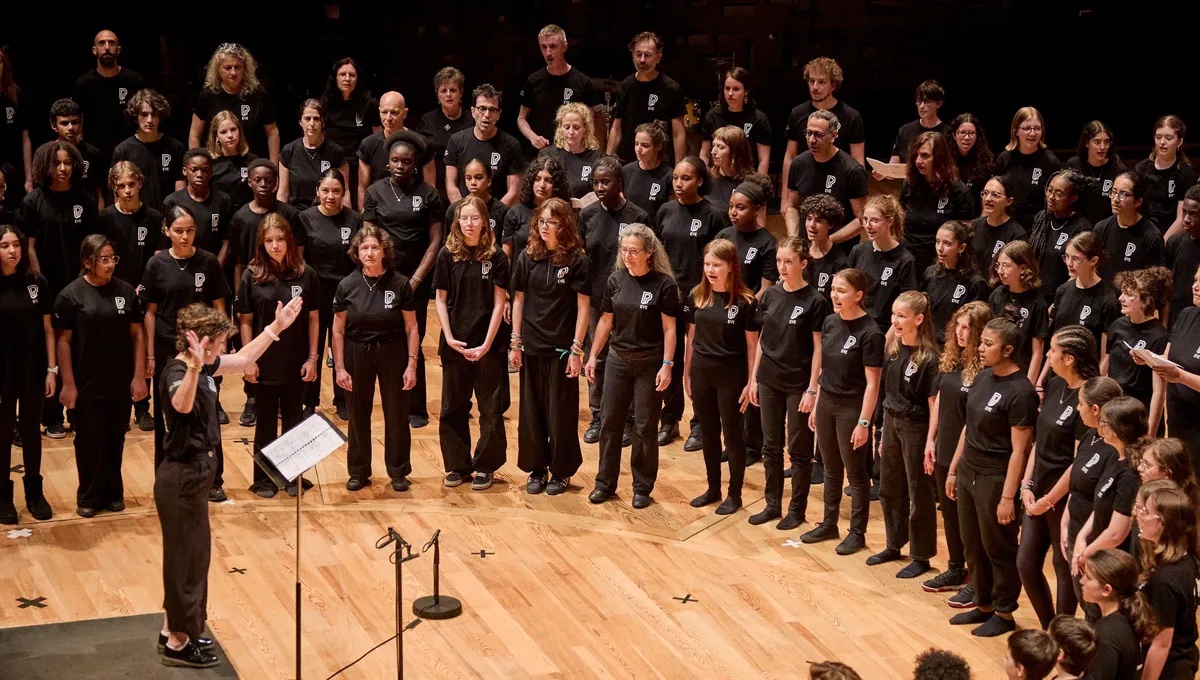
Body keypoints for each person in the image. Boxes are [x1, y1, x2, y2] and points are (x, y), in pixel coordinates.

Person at [154, 298, 303, 669]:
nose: (224, 348)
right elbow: (182, 405)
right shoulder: (178, 372)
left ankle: (173, 628)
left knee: (191, 558)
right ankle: (177, 643)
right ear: (202, 343)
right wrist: (193, 368)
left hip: (195, 478)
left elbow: (246, 358)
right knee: (186, 562)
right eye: (219, 343)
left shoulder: (205, 365)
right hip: (181, 479)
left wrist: (277, 327)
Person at [946, 317, 1038, 637]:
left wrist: (1008, 497)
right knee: (972, 544)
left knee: (998, 548)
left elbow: (1020, 451)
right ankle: (983, 604)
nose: (980, 348)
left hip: (995, 477)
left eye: (988, 344)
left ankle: (1004, 611)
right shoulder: (983, 377)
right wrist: (954, 468)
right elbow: (968, 427)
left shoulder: (1022, 392)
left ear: (1008, 349)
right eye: (981, 342)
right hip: (968, 470)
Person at [584, 224, 679, 509]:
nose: (627, 256)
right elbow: (605, 321)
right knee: (609, 423)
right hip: (618, 360)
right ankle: (604, 483)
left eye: (633, 251)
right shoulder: (615, 280)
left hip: (649, 363)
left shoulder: (664, 285)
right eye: (624, 250)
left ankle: (642, 487)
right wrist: (592, 356)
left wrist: (667, 365)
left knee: (645, 427)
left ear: (649, 253)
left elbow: (670, 329)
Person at [140, 205, 230, 500]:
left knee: (208, 411)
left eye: (190, 230)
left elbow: (219, 304)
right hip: (168, 348)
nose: (185, 236)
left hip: (203, 349)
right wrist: (150, 355)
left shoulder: (208, 261)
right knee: (169, 415)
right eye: (178, 231)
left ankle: (213, 480)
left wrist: (221, 343)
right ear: (166, 230)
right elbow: (150, 313)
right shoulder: (156, 264)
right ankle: (166, 475)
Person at [54, 234, 146, 517]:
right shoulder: (70, 296)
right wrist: (68, 384)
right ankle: (89, 495)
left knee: (115, 439)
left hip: (119, 380)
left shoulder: (126, 291)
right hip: (86, 383)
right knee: (89, 441)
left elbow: (137, 335)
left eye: (112, 259)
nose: (109, 265)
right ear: (87, 262)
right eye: (103, 260)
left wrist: (139, 376)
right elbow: (63, 342)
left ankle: (113, 493)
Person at [361, 130, 445, 428]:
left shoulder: (429, 194)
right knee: (383, 341)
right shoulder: (375, 192)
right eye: (395, 160)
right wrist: (378, 273)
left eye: (406, 161)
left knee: (413, 341)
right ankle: (388, 403)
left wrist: (416, 280)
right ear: (387, 162)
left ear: (415, 164)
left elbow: (435, 242)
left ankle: (415, 406)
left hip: (415, 282)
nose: (400, 165)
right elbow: (368, 237)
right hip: (382, 279)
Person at [234, 214, 319, 498]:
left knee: (295, 423)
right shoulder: (252, 275)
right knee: (266, 424)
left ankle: (292, 476)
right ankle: (264, 480)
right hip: (264, 364)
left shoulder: (306, 274)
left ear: (289, 240)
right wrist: (248, 361)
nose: (275, 245)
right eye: (269, 240)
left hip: (296, 362)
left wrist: (312, 358)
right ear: (262, 244)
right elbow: (245, 320)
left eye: (280, 239)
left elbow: (314, 318)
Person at [1018, 326, 1097, 629]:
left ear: (1069, 359)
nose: (1048, 355)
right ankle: (1048, 627)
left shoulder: (1088, 396)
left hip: (1064, 495)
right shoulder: (1054, 385)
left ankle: (1062, 634)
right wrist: (1027, 484)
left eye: (1052, 351)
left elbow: (1080, 461)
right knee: (1026, 564)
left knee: (1062, 568)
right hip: (1037, 489)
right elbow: (1039, 440)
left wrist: (1050, 500)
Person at [510, 197, 590, 495]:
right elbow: (518, 300)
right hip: (532, 344)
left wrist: (577, 349)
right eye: (542, 221)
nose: (545, 227)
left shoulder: (577, 261)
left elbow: (584, 307)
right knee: (532, 411)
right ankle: (537, 468)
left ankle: (561, 470)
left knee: (561, 412)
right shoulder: (527, 256)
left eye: (552, 222)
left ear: (565, 224)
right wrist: (515, 342)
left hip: (562, 348)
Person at [801, 269, 883, 555]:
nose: (834, 295)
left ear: (858, 295)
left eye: (842, 291)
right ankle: (829, 523)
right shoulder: (830, 322)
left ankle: (857, 533)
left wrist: (864, 422)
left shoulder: (871, 333)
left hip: (852, 408)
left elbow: (873, 384)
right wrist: (816, 402)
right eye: (833, 289)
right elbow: (825, 369)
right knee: (830, 468)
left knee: (856, 474)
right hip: (827, 403)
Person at [332, 225, 419, 491]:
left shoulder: (400, 284)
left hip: (392, 351)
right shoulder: (347, 285)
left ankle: (398, 471)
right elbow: (337, 330)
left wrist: (412, 364)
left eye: (374, 247)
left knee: (396, 413)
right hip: (357, 351)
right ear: (357, 253)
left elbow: (411, 327)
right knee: (358, 414)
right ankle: (358, 471)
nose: (369, 253)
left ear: (384, 251)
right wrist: (340, 368)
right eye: (364, 248)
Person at [23, 140, 99, 439]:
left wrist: (85, 280)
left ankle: (78, 412)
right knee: (50, 350)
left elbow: (92, 246)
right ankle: (51, 415)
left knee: (81, 349)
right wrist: (41, 284)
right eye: (57, 164)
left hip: (80, 286)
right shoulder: (33, 202)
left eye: (67, 163)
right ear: (45, 166)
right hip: (49, 286)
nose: (63, 169)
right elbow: (29, 247)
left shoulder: (85, 200)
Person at [748, 236, 826, 528]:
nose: (782, 266)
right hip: (769, 379)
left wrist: (812, 388)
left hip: (798, 384)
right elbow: (762, 340)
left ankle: (797, 510)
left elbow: (818, 348)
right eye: (779, 261)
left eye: (788, 261)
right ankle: (772, 504)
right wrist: (754, 379)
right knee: (771, 446)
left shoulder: (815, 301)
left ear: (803, 264)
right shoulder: (770, 295)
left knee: (799, 450)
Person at [434, 196, 509, 490]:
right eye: (464, 218)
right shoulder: (447, 254)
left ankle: (486, 466)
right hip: (455, 344)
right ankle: (457, 465)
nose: (469, 223)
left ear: (485, 222)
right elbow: (440, 300)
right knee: (452, 407)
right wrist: (449, 336)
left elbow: (499, 304)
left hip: (488, 345)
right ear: (457, 222)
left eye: (474, 218)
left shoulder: (497, 257)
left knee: (490, 409)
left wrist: (487, 344)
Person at [920, 301, 991, 602]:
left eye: (968, 329)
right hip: (944, 448)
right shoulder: (951, 360)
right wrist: (930, 440)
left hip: (969, 455)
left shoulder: (985, 370)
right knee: (949, 515)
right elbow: (937, 402)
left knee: (970, 522)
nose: (961, 333)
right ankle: (955, 568)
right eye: (958, 326)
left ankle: (978, 578)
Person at [656, 157, 729, 447]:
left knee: (698, 361)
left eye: (685, 178)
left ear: (699, 181)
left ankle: (701, 423)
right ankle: (670, 419)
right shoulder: (665, 211)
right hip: (669, 295)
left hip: (702, 296)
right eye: (675, 177)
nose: (678, 183)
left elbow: (719, 258)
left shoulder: (714, 215)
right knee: (670, 358)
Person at [684, 238, 760, 515]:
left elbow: (753, 346)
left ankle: (734, 494)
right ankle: (713, 487)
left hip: (732, 376)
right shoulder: (697, 296)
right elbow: (691, 338)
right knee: (708, 433)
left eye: (716, 265)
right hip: (702, 372)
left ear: (731, 267)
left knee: (733, 435)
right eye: (707, 264)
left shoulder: (745, 301)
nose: (710, 270)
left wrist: (751, 381)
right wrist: (686, 373)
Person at [869, 291, 939, 578]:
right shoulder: (894, 350)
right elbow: (887, 392)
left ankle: (921, 555)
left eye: (901, 316)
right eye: (893, 315)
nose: (895, 321)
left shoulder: (930, 358)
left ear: (918, 319)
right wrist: (882, 431)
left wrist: (931, 441)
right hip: (891, 421)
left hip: (916, 427)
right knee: (889, 486)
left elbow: (934, 405)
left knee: (918, 491)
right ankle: (894, 543)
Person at [579, 156, 649, 443]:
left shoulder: (638, 217)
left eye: (605, 182)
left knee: (627, 358)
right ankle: (598, 415)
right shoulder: (587, 216)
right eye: (595, 182)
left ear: (620, 182)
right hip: (596, 299)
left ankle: (628, 418)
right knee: (596, 357)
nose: (599, 188)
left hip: (628, 301)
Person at [715, 175, 779, 462]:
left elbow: (765, 289)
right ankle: (732, 441)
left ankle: (753, 445)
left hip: (750, 320)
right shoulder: (723, 236)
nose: (733, 212)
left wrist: (739, 306)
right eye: (731, 206)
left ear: (756, 210)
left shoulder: (767, 243)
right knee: (728, 383)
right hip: (723, 317)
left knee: (750, 380)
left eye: (740, 207)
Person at [0, 226, 56, 524]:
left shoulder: (36, 282)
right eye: (5, 245)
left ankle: (35, 493)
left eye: (16, 245)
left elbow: (48, 330)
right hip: (2, 372)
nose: (12, 251)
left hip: (33, 369)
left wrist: (51, 369)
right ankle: (2, 496)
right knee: (2, 432)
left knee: (31, 431)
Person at [100, 162, 161, 430]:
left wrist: (143, 287)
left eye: (131, 184)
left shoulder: (154, 217)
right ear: (114, 187)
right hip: (114, 291)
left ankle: (143, 407)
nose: (127, 190)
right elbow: (101, 256)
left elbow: (158, 257)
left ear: (140, 184)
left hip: (145, 291)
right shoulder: (105, 218)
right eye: (121, 186)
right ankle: (120, 408)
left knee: (143, 348)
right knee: (116, 351)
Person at [1061, 376, 1124, 620]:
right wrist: (1065, 520)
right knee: (1085, 602)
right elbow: (1077, 480)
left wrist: (1085, 544)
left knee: (1097, 610)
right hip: (1077, 531)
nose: (1077, 409)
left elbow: (1103, 499)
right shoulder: (1090, 435)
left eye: (1080, 404)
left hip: (1096, 540)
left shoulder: (1115, 450)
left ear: (1096, 409)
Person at [1071, 397, 1143, 608]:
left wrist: (1086, 552)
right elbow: (1102, 501)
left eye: (1103, 421)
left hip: (1115, 564)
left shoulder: (1130, 473)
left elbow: (1117, 533)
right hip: (1099, 552)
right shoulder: (1115, 457)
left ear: (1117, 429)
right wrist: (1082, 537)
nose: (1099, 425)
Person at [298, 169, 357, 419]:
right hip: (315, 292)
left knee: (341, 345)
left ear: (343, 193)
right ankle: (309, 400)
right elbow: (299, 259)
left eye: (336, 191)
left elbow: (358, 259)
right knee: (312, 347)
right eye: (325, 190)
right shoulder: (305, 218)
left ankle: (342, 399)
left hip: (344, 294)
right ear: (317, 191)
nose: (330, 196)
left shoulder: (354, 219)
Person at [781, 57, 867, 209]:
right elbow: (790, 156)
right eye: (811, 81)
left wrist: (859, 196)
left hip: (838, 189)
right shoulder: (797, 113)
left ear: (833, 85)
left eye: (821, 82)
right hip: (806, 184)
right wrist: (785, 199)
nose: (815, 87)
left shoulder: (851, 117)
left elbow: (858, 161)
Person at [1135, 480, 1200, 680]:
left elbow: (1162, 644)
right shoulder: (1186, 558)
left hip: (1169, 668)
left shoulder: (1164, 580)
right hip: (1184, 657)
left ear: (1163, 524)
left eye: (1145, 512)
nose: (1139, 515)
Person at [782, 110, 869, 248]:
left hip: (839, 247)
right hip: (806, 246)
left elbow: (862, 219)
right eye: (809, 133)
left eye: (819, 135)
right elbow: (792, 207)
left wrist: (827, 242)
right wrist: (794, 239)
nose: (812, 140)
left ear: (834, 135)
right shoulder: (798, 163)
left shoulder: (852, 170)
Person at [1105, 267, 1171, 434]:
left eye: (1129, 294)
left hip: (1139, 414)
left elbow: (1158, 392)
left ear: (1146, 301)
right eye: (1122, 292)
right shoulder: (1118, 325)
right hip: (1114, 409)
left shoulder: (1159, 337)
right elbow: (1107, 365)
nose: (1121, 298)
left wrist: (1150, 433)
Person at [606, 32, 687, 165]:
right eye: (638, 54)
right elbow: (616, 128)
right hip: (630, 162)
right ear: (632, 55)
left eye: (647, 55)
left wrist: (679, 167)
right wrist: (608, 161)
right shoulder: (626, 86)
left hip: (661, 163)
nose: (642, 60)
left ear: (658, 57)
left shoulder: (671, 89)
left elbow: (678, 133)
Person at [189, 43, 279, 161]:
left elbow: (272, 133)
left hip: (252, 163)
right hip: (217, 164)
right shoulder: (208, 95)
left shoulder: (258, 94)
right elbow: (195, 134)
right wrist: (196, 164)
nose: (233, 72)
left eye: (237, 67)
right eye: (227, 68)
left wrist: (273, 167)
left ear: (244, 68)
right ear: (218, 69)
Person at [1080, 548, 1161, 680]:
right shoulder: (1129, 616)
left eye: (1088, 577)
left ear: (1106, 590)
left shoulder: (1106, 636)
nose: (1081, 581)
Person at [899, 131, 974, 272]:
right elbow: (901, 220)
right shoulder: (909, 184)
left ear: (939, 158)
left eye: (925, 156)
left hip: (940, 261)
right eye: (916, 155)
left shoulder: (959, 191)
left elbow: (965, 234)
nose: (918, 161)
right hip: (909, 257)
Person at [517, 25, 595, 154]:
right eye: (544, 47)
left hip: (571, 153)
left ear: (564, 47)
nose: (548, 53)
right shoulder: (533, 81)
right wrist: (533, 137)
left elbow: (589, 122)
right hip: (540, 152)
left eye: (553, 46)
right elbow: (521, 119)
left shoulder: (582, 82)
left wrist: (585, 148)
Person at [444, 84, 525, 206]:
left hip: (497, 212)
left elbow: (513, 192)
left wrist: (494, 214)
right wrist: (463, 212)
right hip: (463, 210)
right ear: (473, 111)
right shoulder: (456, 140)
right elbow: (451, 185)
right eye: (482, 109)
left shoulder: (512, 145)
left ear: (499, 114)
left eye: (492, 110)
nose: (487, 115)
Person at [72, 30, 144, 165]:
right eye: (102, 43)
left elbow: (142, 115)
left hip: (128, 149)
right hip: (94, 151)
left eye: (111, 43)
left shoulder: (134, 81)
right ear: (94, 50)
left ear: (118, 49)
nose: (107, 47)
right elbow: (77, 118)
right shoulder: (83, 83)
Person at [849, 194, 919, 332]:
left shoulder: (905, 260)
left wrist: (885, 341)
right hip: (855, 324)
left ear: (890, 221)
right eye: (865, 219)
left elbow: (906, 309)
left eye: (875, 220)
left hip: (884, 330)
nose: (868, 225)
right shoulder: (858, 251)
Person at [230, 160, 301, 292]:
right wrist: (239, 295)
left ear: (276, 182)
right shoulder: (240, 217)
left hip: (285, 280)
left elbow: (299, 253)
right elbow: (238, 262)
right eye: (257, 180)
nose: (263, 184)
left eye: (268, 180)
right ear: (250, 182)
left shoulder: (289, 213)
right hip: (254, 283)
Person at [110, 88, 186, 211]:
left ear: (160, 116)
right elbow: (118, 191)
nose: (149, 120)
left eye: (154, 114)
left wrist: (178, 213)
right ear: (136, 117)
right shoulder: (123, 150)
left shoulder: (175, 147)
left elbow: (180, 184)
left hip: (168, 214)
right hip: (136, 215)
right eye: (144, 115)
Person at [1028, 170, 1096, 305]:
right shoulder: (1042, 218)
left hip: (1061, 298)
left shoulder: (1081, 227)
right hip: (1035, 293)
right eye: (1049, 190)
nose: (1051, 197)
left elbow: (1078, 272)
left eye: (1059, 194)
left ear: (1073, 198)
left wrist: (1056, 305)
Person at [356, 91, 434, 209]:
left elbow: (430, 187)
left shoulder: (421, 144)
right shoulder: (368, 144)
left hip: (413, 210)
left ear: (405, 113)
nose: (388, 118)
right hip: (380, 210)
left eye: (394, 112)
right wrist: (365, 217)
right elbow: (362, 188)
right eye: (384, 112)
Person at [1156, 267, 1200, 472]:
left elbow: (1178, 373)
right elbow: (1168, 356)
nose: (1195, 287)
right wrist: (1149, 359)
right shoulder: (1186, 314)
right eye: (1195, 280)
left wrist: (1180, 376)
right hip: (1177, 415)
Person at [1047, 231, 1119, 356]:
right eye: (1066, 257)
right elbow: (1055, 344)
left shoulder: (1108, 300)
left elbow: (1105, 356)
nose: (1069, 263)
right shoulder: (1062, 290)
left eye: (1076, 259)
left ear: (1093, 260)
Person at [320, 57, 380, 208]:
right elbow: (322, 136)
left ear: (358, 78)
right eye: (343, 74)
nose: (347, 79)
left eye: (352, 75)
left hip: (360, 163)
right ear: (335, 77)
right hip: (333, 162)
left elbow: (377, 137)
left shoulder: (368, 103)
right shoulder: (325, 103)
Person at [989, 240, 1049, 383]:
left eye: (1006, 266)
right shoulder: (998, 294)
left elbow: (1037, 352)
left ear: (1023, 268)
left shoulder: (1037, 304)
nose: (1000, 271)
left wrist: (1029, 386)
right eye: (998, 265)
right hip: (994, 368)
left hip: (1020, 372)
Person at [163, 149, 233, 268]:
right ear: (185, 171)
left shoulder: (223, 200)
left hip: (213, 266)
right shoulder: (172, 202)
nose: (199, 174)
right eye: (194, 169)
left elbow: (227, 241)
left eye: (204, 170)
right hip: (181, 267)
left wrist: (215, 268)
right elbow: (165, 243)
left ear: (211, 172)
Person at [995, 107, 1061, 229]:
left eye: (1037, 128)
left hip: (1038, 228)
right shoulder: (1004, 158)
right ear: (1016, 131)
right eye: (1026, 128)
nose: (1032, 133)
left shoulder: (1051, 162)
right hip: (1006, 226)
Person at [922, 220, 988, 344]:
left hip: (953, 345)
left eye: (947, 243)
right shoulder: (930, 273)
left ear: (961, 248)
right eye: (937, 241)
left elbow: (974, 326)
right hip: (927, 342)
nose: (940, 248)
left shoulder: (975, 283)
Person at [278, 99, 349, 209]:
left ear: (323, 122)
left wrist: (347, 217)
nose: (312, 124)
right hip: (297, 213)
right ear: (300, 122)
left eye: (316, 119)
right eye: (307, 118)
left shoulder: (336, 152)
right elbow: (283, 193)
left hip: (326, 212)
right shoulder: (288, 151)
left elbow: (344, 192)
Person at [699, 67, 771, 174]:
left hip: (747, 177)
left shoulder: (759, 119)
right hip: (717, 176)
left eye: (736, 89)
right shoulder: (712, 116)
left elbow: (763, 160)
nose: (730, 93)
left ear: (746, 91)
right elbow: (704, 154)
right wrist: (703, 177)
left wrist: (758, 183)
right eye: (727, 88)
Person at [1095, 171, 1165, 282]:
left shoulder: (1151, 236)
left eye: (1123, 195)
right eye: (1114, 192)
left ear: (1138, 202)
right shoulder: (1101, 228)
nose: (1115, 199)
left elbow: (1153, 282)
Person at [417, 68, 473, 201]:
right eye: (443, 90)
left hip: (466, 183)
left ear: (461, 92)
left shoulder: (472, 119)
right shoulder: (428, 120)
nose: (448, 95)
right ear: (437, 93)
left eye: (453, 90)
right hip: (434, 183)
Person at [501, 158, 571, 260]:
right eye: (537, 179)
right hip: (521, 269)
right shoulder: (515, 213)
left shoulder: (565, 213)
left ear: (557, 185)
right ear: (531, 181)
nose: (542, 185)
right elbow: (506, 255)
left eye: (548, 180)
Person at [1138, 115, 1195, 240]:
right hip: (1143, 231)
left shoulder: (1185, 173)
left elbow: (1181, 218)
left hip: (1171, 236)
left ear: (1179, 142)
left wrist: (1162, 242)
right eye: (1158, 137)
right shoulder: (1141, 169)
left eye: (1168, 138)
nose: (1162, 142)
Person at [47, 98, 105, 209]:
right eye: (64, 123)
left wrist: (100, 215)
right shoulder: (47, 153)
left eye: (74, 122)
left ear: (80, 123)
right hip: (57, 209)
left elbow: (98, 190)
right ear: (54, 125)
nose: (70, 128)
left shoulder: (92, 153)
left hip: (87, 211)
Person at [538, 102, 601, 199]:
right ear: (560, 128)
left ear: (585, 128)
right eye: (566, 127)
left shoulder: (596, 158)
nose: (571, 132)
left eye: (576, 127)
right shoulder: (547, 154)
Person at [971, 175, 1026, 283]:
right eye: (985, 193)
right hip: (974, 288)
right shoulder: (975, 225)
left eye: (995, 195)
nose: (988, 199)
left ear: (1009, 201)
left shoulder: (1017, 235)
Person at [1067, 121, 1123, 226]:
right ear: (1087, 143)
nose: (1102, 147)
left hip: (1107, 227)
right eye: (1097, 142)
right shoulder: (1074, 164)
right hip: (1079, 227)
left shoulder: (1118, 170)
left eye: (1106, 142)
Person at [801, 195, 850, 308]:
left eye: (818, 220)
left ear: (830, 225)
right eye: (809, 218)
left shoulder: (840, 263)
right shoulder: (801, 253)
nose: (811, 225)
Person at [447, 158, 509, 244]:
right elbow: (448, 243)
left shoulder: (502, 211)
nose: (473, 182)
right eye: (468, 178)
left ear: (489, 181)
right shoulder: (454, 209)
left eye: (478, 178)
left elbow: (505, 246)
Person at [888, 81, 951, 165]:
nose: (921, 106)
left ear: (939, 103)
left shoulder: (948, 133)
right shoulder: (905, 130)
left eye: (927, 102)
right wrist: (883, 171)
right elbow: (893, 164)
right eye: (919, 101)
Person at [207, 111, 257, 212]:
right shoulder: (209, 163)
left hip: (246, 215)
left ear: (240, 132)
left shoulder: (253, 161)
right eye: (223, 132)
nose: (230, 135)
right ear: (216, 137)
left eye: (233, 129)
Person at [621, 121, 674, 216]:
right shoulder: (626, 171)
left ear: (658, 146)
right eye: (636, 144)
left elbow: (672, 212)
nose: (638, 149)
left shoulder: (668, 175)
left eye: (645, 145)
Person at [1165, 185, 1200, 324]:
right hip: (1176, 318)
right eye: (1184, 212)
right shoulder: (1174, 242)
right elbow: (1167, 290)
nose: (1186, 219)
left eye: (1193, 214)